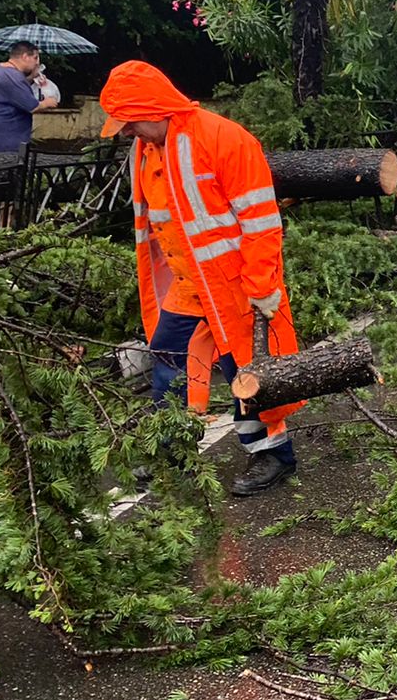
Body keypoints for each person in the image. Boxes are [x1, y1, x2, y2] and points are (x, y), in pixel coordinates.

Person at [99, 61, 304, 495]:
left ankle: (273, 455)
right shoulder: (147, 150)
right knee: (168, 363)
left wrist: (263, 285)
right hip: (189, 285)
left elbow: (261, 220)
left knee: (247, 373)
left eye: (130, 122)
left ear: (152, 109)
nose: (127, 133)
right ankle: (169, 452)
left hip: (236, 285)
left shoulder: (223, 139)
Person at [0, 41, 58, 151]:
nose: (37, 63)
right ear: (25, 56)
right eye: (35, 58)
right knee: (6, 167)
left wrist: (31, 77)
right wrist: (49, 101)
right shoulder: (13, 77)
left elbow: (13, 91)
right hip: (3, 139)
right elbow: (33, 107)